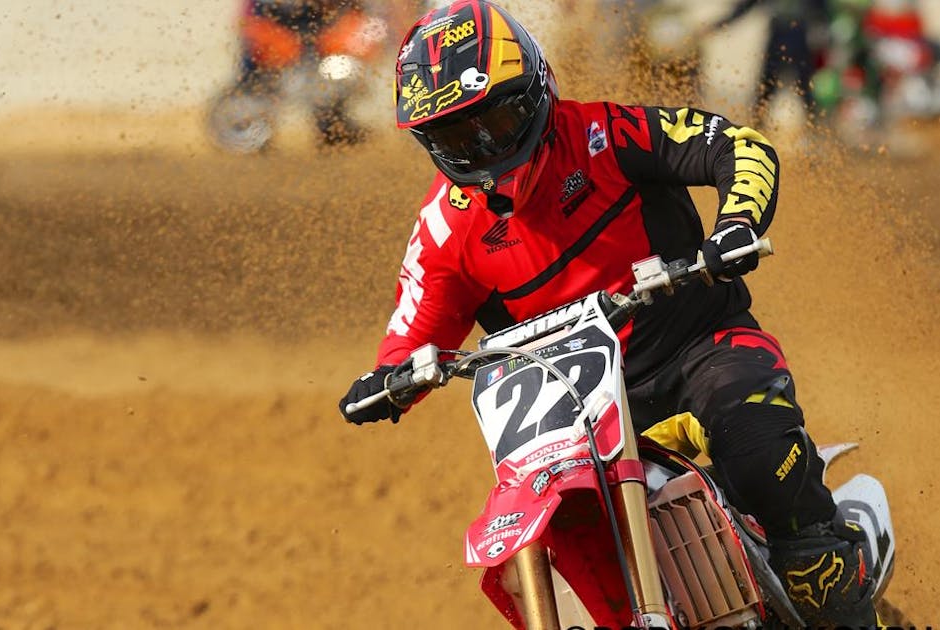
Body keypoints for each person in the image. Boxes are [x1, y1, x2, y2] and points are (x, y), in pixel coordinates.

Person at [338, 1, 877, 626]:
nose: (483, 149)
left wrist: (736, 225)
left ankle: (830, 575)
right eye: (457, 138)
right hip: (576, 410)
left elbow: (736, 144)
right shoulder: (442, 231)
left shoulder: (602, 133)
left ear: (535, 92)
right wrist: (388, 381)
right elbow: (409, 336)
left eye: (496, 121)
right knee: (555, 527)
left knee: (762, 459)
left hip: (702, 348)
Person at [236, 0, 375, 145]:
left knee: (343, 68)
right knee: (254, 87)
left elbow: (359, 19)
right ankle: (252, 125)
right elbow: (251, 22)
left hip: (320, 56)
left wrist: (336, 39)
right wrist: (275, 41)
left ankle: (333, 124)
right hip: (274, 62)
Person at [709, 0, 832, 126]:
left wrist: (822, 36)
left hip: (800, 45)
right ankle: (755, 128)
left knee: (807, 93)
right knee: (765, 93)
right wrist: (721, 23)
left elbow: (822, 13)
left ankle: (819, 129)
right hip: (778, 43)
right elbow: (746, 6)